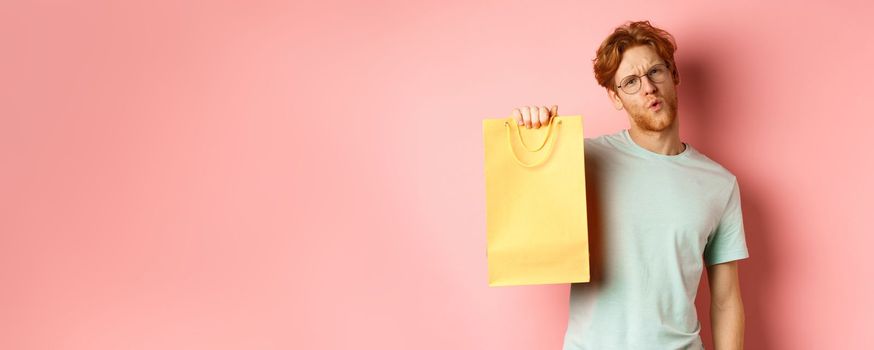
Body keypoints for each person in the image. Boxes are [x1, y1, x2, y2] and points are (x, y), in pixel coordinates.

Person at [510, 21, 749, 349]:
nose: (648, 87)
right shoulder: (584, 161)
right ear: (615, 97)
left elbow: (725, 301)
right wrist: (531, 135)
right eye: (631, 82)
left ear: (674, 74)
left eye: (655, 72)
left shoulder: (719, 185)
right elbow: (525, 218)